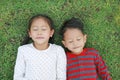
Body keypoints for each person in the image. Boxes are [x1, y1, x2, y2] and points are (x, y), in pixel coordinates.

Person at [14, 14, 66, 80]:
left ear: (51, 33)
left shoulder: (58, 50)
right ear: (30, 33)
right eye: (35, 29)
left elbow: (61, 77)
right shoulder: (23, 50)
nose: (39, 32)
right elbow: (18, 76)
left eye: (43, 29)